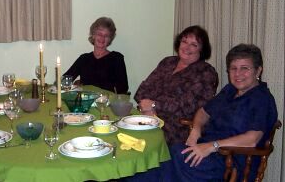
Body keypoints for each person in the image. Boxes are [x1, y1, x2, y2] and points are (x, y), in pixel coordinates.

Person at [158, 43, 278, 181]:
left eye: (244, 68)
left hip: (230, 163)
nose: (238, 74)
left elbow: (252, 139)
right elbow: (203, 112)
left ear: (258, 71)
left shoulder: (261, 99)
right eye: (233, 68)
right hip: (206, 153)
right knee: (163, 159)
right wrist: (196, 129)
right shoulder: (229, 91)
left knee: (173, 158)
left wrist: (212, 146)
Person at [134, 25, 218, 145]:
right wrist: (147, 108)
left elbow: (190, 106)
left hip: (176, 127)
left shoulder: (205, 72)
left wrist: (154, 105)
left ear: (202, 50)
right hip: (147, 116)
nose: (187, 47)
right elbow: (142, 90)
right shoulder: (167, 62)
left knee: (135, 140)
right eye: (184, 41)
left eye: (194, 45)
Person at [64, 17, 129, 94]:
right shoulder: (84, 59)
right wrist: (75, 86)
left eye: (106, 35)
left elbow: (123, 87)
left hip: (107, 102)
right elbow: (65, 80)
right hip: (86, 102)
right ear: (93, 35)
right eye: (99, 34)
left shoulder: (116, 58)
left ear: (110, 39)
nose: (102, 38)